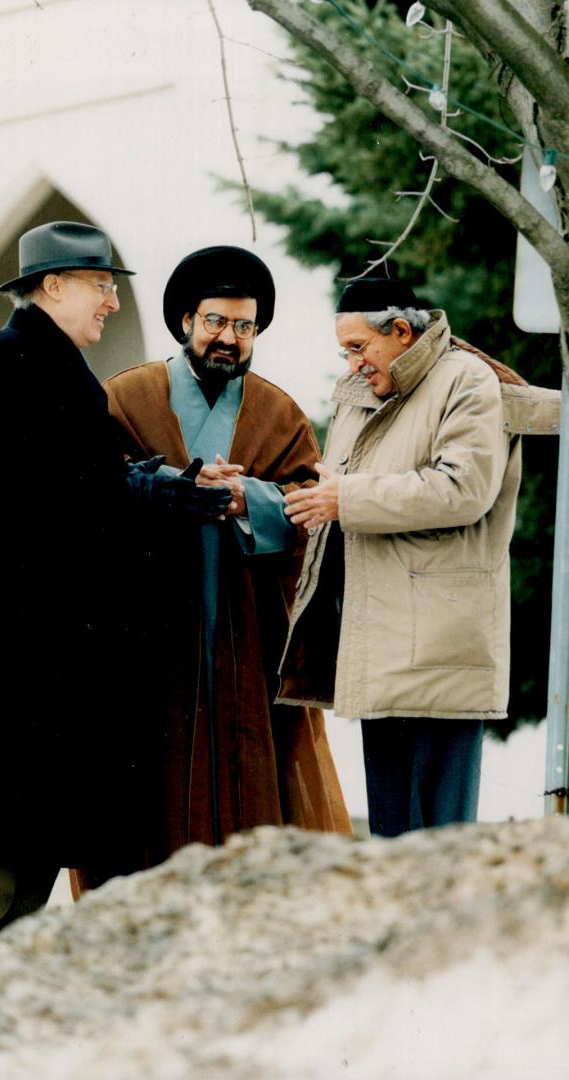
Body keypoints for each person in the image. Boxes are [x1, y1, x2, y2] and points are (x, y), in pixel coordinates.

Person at [0, 222, 230, 958]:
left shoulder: (46, 365)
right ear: (54, 286)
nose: (110, 302)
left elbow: (82, 487)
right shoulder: (7, 362)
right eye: (101, 286)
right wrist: (164, 495)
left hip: (47, 659)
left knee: (24, 868)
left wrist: (167, 487)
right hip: (22, 656)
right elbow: (51, 496)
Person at [70, 245, 351, 895]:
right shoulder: (125, 399)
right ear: (185, 322)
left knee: (250, 777)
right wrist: (178, 487)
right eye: (216, 323)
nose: (230, 339)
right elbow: (94, 492)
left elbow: (309, 511)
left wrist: (246, 498)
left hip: (247, 638)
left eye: (244, 327)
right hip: (145, 638)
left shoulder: (277, 414)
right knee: (147, 784)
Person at [280, 276, 561, 838]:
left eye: (358, 347)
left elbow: (463, 488)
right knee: (393, 846)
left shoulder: (466, 381)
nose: (352, 362)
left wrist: (347, 496)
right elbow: (340, 488)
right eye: (345, 351)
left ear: (402, 332)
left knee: (442, 847)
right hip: (379, 651)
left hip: (441, 651)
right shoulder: (359, 394)